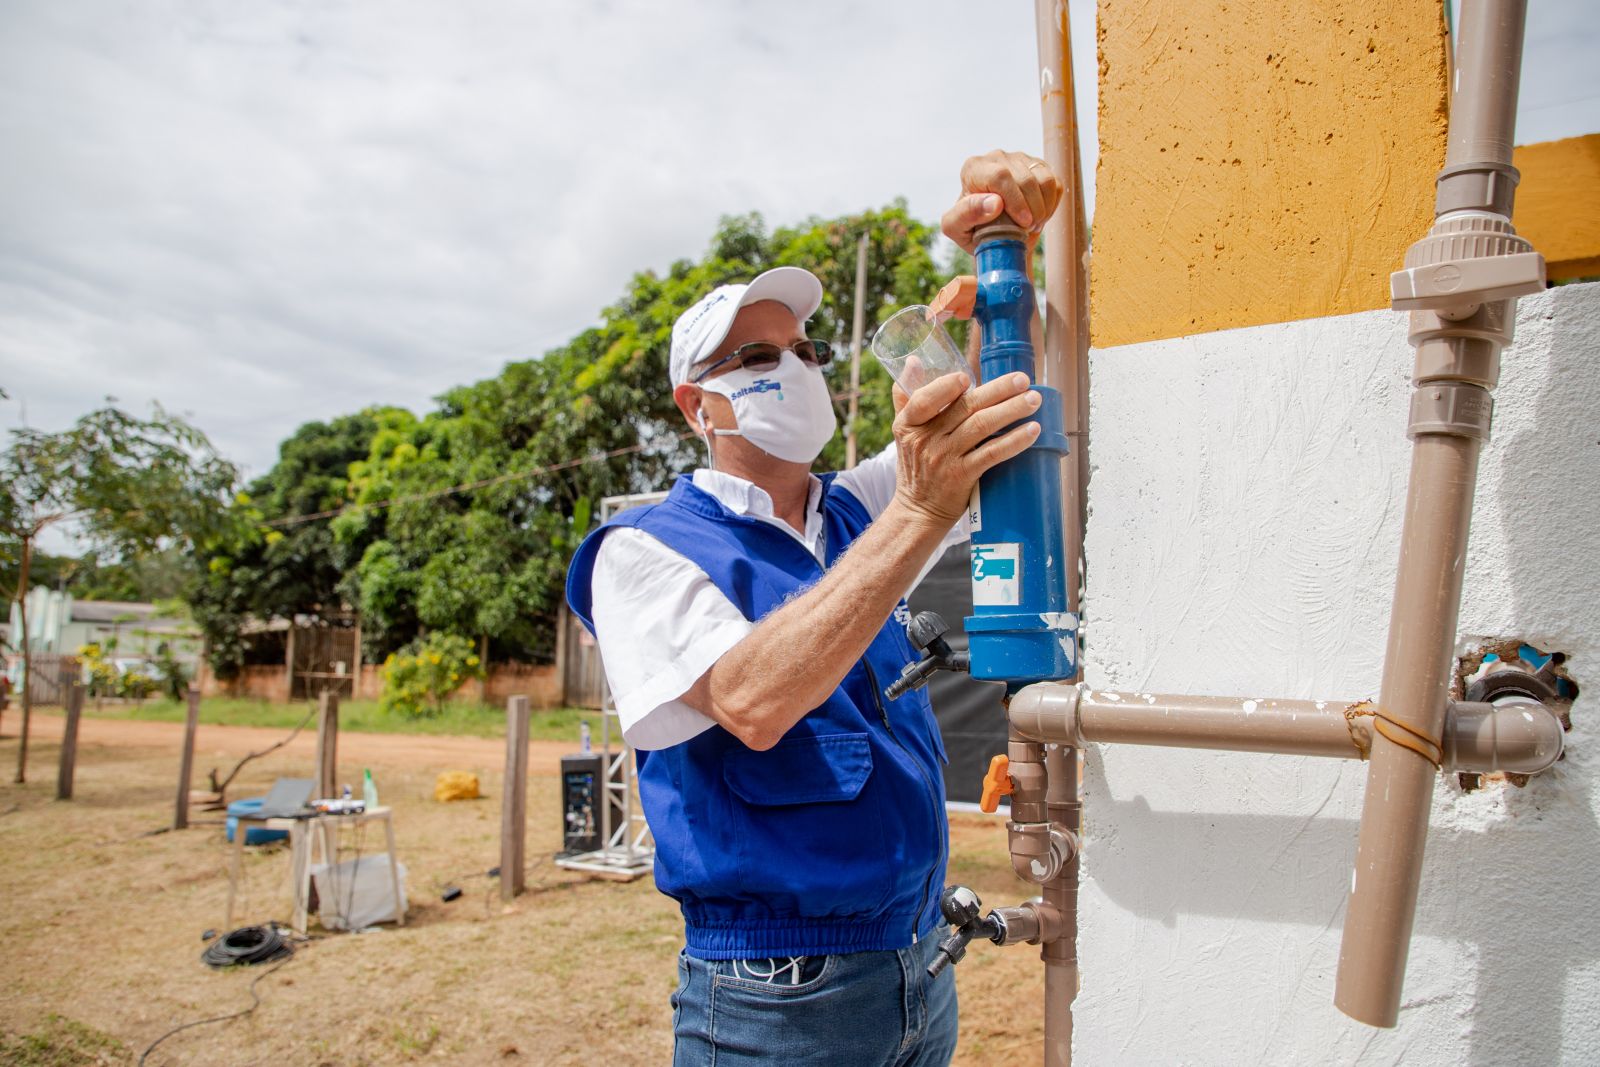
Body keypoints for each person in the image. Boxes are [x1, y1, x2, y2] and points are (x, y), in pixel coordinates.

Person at [565, 150, 1061, 1066]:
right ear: (695, 406)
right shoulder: (643, 550)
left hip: (917, 964)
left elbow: (1008, 414)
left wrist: (1008, 272)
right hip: (774, 1002)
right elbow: (752, 700)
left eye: (803, 350)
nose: (793, 367)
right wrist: (916, 508)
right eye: (757, 356)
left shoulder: (853, 509)